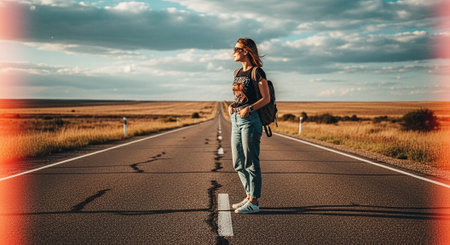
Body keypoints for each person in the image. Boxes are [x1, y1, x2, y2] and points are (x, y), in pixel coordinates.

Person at [228, 38, 270, 214]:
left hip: (250, 120)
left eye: (236, 48)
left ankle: (254, 201)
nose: (233, 52)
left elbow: (265, 98)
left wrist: (250, 108)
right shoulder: (238, 72)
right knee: (238, 162)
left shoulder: (257, 72)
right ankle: (248, 194)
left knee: (251, 161)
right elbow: (240, 96)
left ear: (245, 51)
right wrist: (232, 105)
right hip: (236, 120)